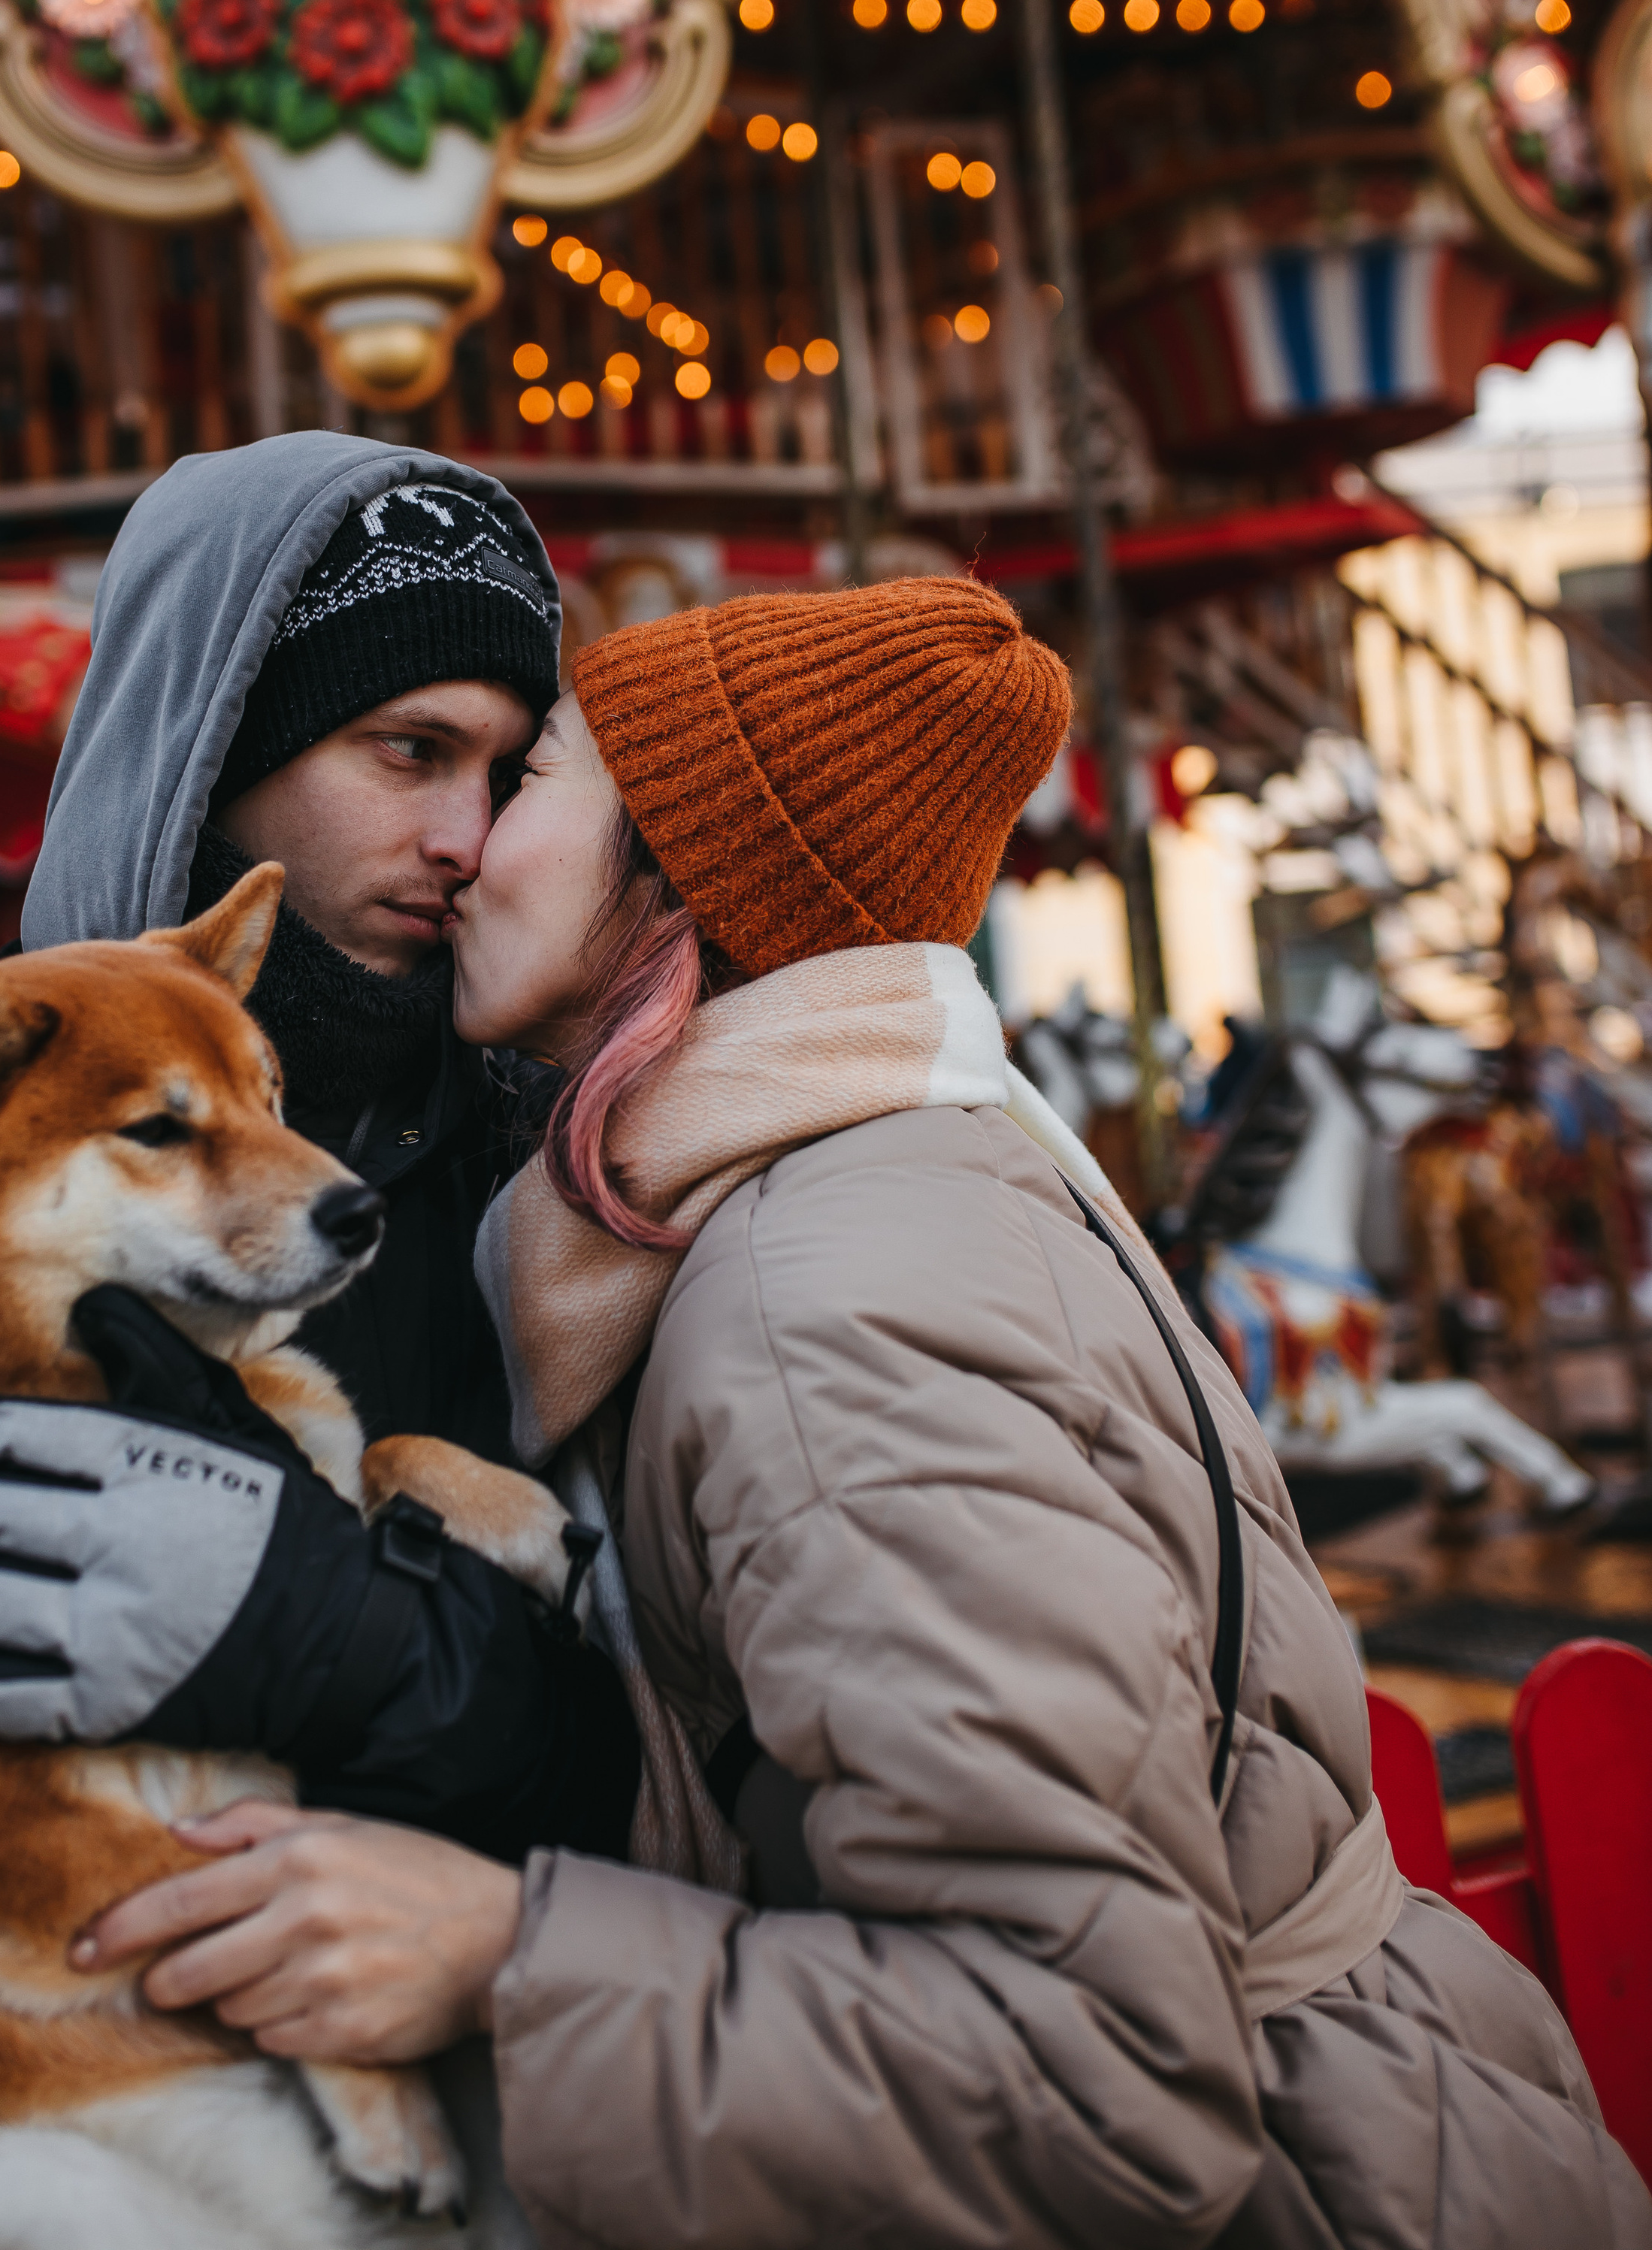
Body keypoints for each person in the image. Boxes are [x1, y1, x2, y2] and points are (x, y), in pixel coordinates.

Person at [82, 576, 1652, 2250]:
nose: (464, 842)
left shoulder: (822, 1302)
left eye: (531, 779)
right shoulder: (882, 1177)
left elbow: (1097, 2077)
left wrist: (503, 1951)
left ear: (682, 869)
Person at [0, 431, 637, 1850]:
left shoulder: (560, 1187)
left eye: (510, 773)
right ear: (214, 742)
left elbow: (683, 1766)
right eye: (410, 749)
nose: (468, 834)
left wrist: (375, 1648)